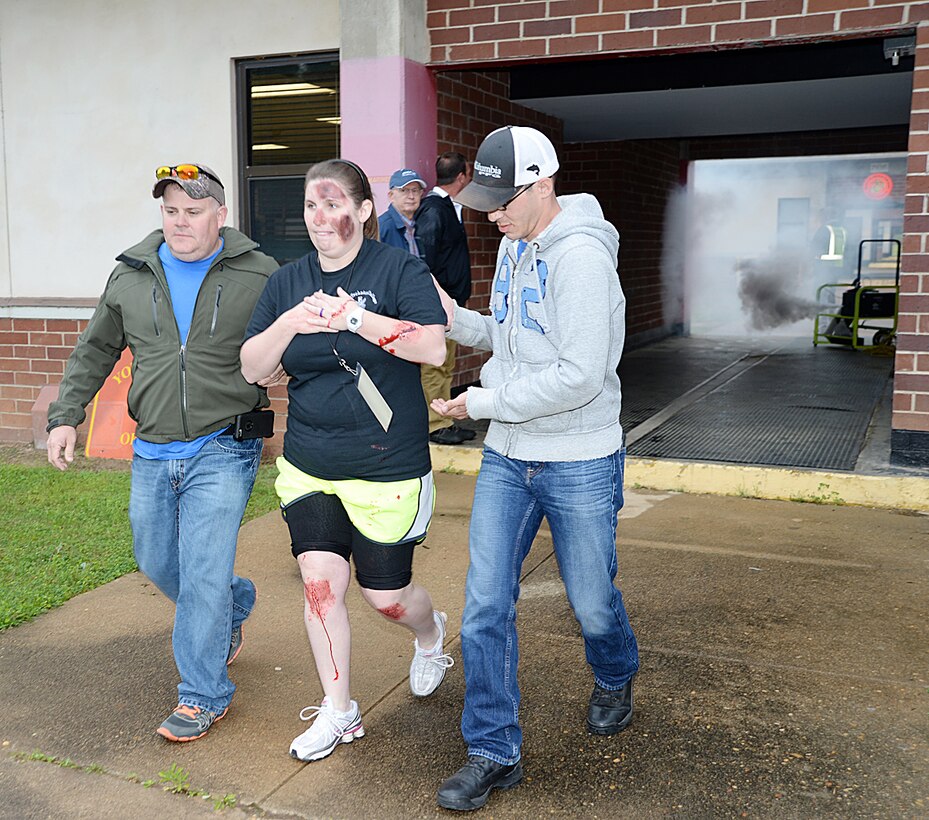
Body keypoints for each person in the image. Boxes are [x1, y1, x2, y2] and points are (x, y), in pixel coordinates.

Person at [430, 126, 640, 812]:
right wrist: (456, 320)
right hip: (505, 457)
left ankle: (614, 674)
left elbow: (581, 374)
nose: (492, 214)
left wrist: (482, 400)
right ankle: (493, 751)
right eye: (486, 200)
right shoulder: (513, 246)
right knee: (484, 606)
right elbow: (510, 331)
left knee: (590, 605)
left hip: (577, 456)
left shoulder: (580, 258)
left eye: (503, 200)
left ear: (543, 184)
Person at [46, 163, 280, 742]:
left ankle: (203, 695)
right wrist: (65, 416)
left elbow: (292, 341)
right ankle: (234, 601)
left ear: (220, 216)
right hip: (152, 448)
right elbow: (95, 349)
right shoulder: (131, 274)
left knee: (201, 573)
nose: (181, 222)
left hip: (224, 443)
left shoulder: (259, 272)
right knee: (155, 560)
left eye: (193, 212)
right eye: (171, 211)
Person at [240, 158, 455, 763]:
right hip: (310, 461)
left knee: (384, 597)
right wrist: (290, 321)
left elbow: (432, 343)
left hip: (387, 464)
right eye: (311, 205)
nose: (321, 218)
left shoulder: (398, 269)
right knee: (319, 585)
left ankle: (429, 632)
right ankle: (340, 712)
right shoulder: (286, 281)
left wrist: (353, 316)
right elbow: (254, 367)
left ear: (363, 211)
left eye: (333, 204)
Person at [415, 152, 476, 446]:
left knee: (447, 365)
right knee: (435, 365)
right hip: (438, 304)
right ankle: (435, 424)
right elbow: (424, 257)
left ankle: (445, 419)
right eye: (470, 172)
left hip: (451, 302)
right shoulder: (434, 210)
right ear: (462, 176)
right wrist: (434, 297)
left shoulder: (448, 207)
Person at [378, 168, 426, 255]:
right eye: (404, 190)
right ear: (391, 196)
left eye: (415, 191)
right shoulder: (383, 227)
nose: (411, 196)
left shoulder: (417, 225)